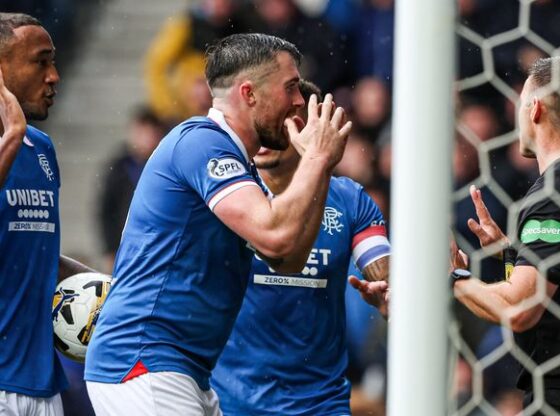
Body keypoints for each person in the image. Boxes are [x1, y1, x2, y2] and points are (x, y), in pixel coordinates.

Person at [84, 33, 352, 416]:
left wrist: (318, 166)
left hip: (184, 369)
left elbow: (289, 257)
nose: (298, 101)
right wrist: (317, 160)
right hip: (145, 362)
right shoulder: (201, 142)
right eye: (290, 87)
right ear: (249, 93)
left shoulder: (240, 169)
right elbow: (275, 237)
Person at [210, 79, 390, 415]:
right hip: (231, 404)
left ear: (311, 129)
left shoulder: (350, 201)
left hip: (321, 403)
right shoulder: (226, 194)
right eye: (261, 119)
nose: (264, 131)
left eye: (280, 121)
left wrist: (395, 290)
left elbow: (384, 271)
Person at [450, 57, 560, 413]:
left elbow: (521, 309)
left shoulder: (551, 195)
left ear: (536, 109)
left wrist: (453, 278)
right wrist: (514, 253)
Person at [0, 13, 96, 416]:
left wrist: (111, 287)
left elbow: (36, 251)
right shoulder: (20, 142)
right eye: (41, 61)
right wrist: (11, 138)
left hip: (41, 384)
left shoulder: (40, 149)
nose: (54, 75)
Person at [97, 106, 167, 272]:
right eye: (141, 132)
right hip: (126, 248)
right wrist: (110, 250)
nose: (146, 139)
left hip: (158, 248)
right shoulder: (119, 167)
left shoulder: (165, 166)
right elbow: (106, 210)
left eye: (150, 133)